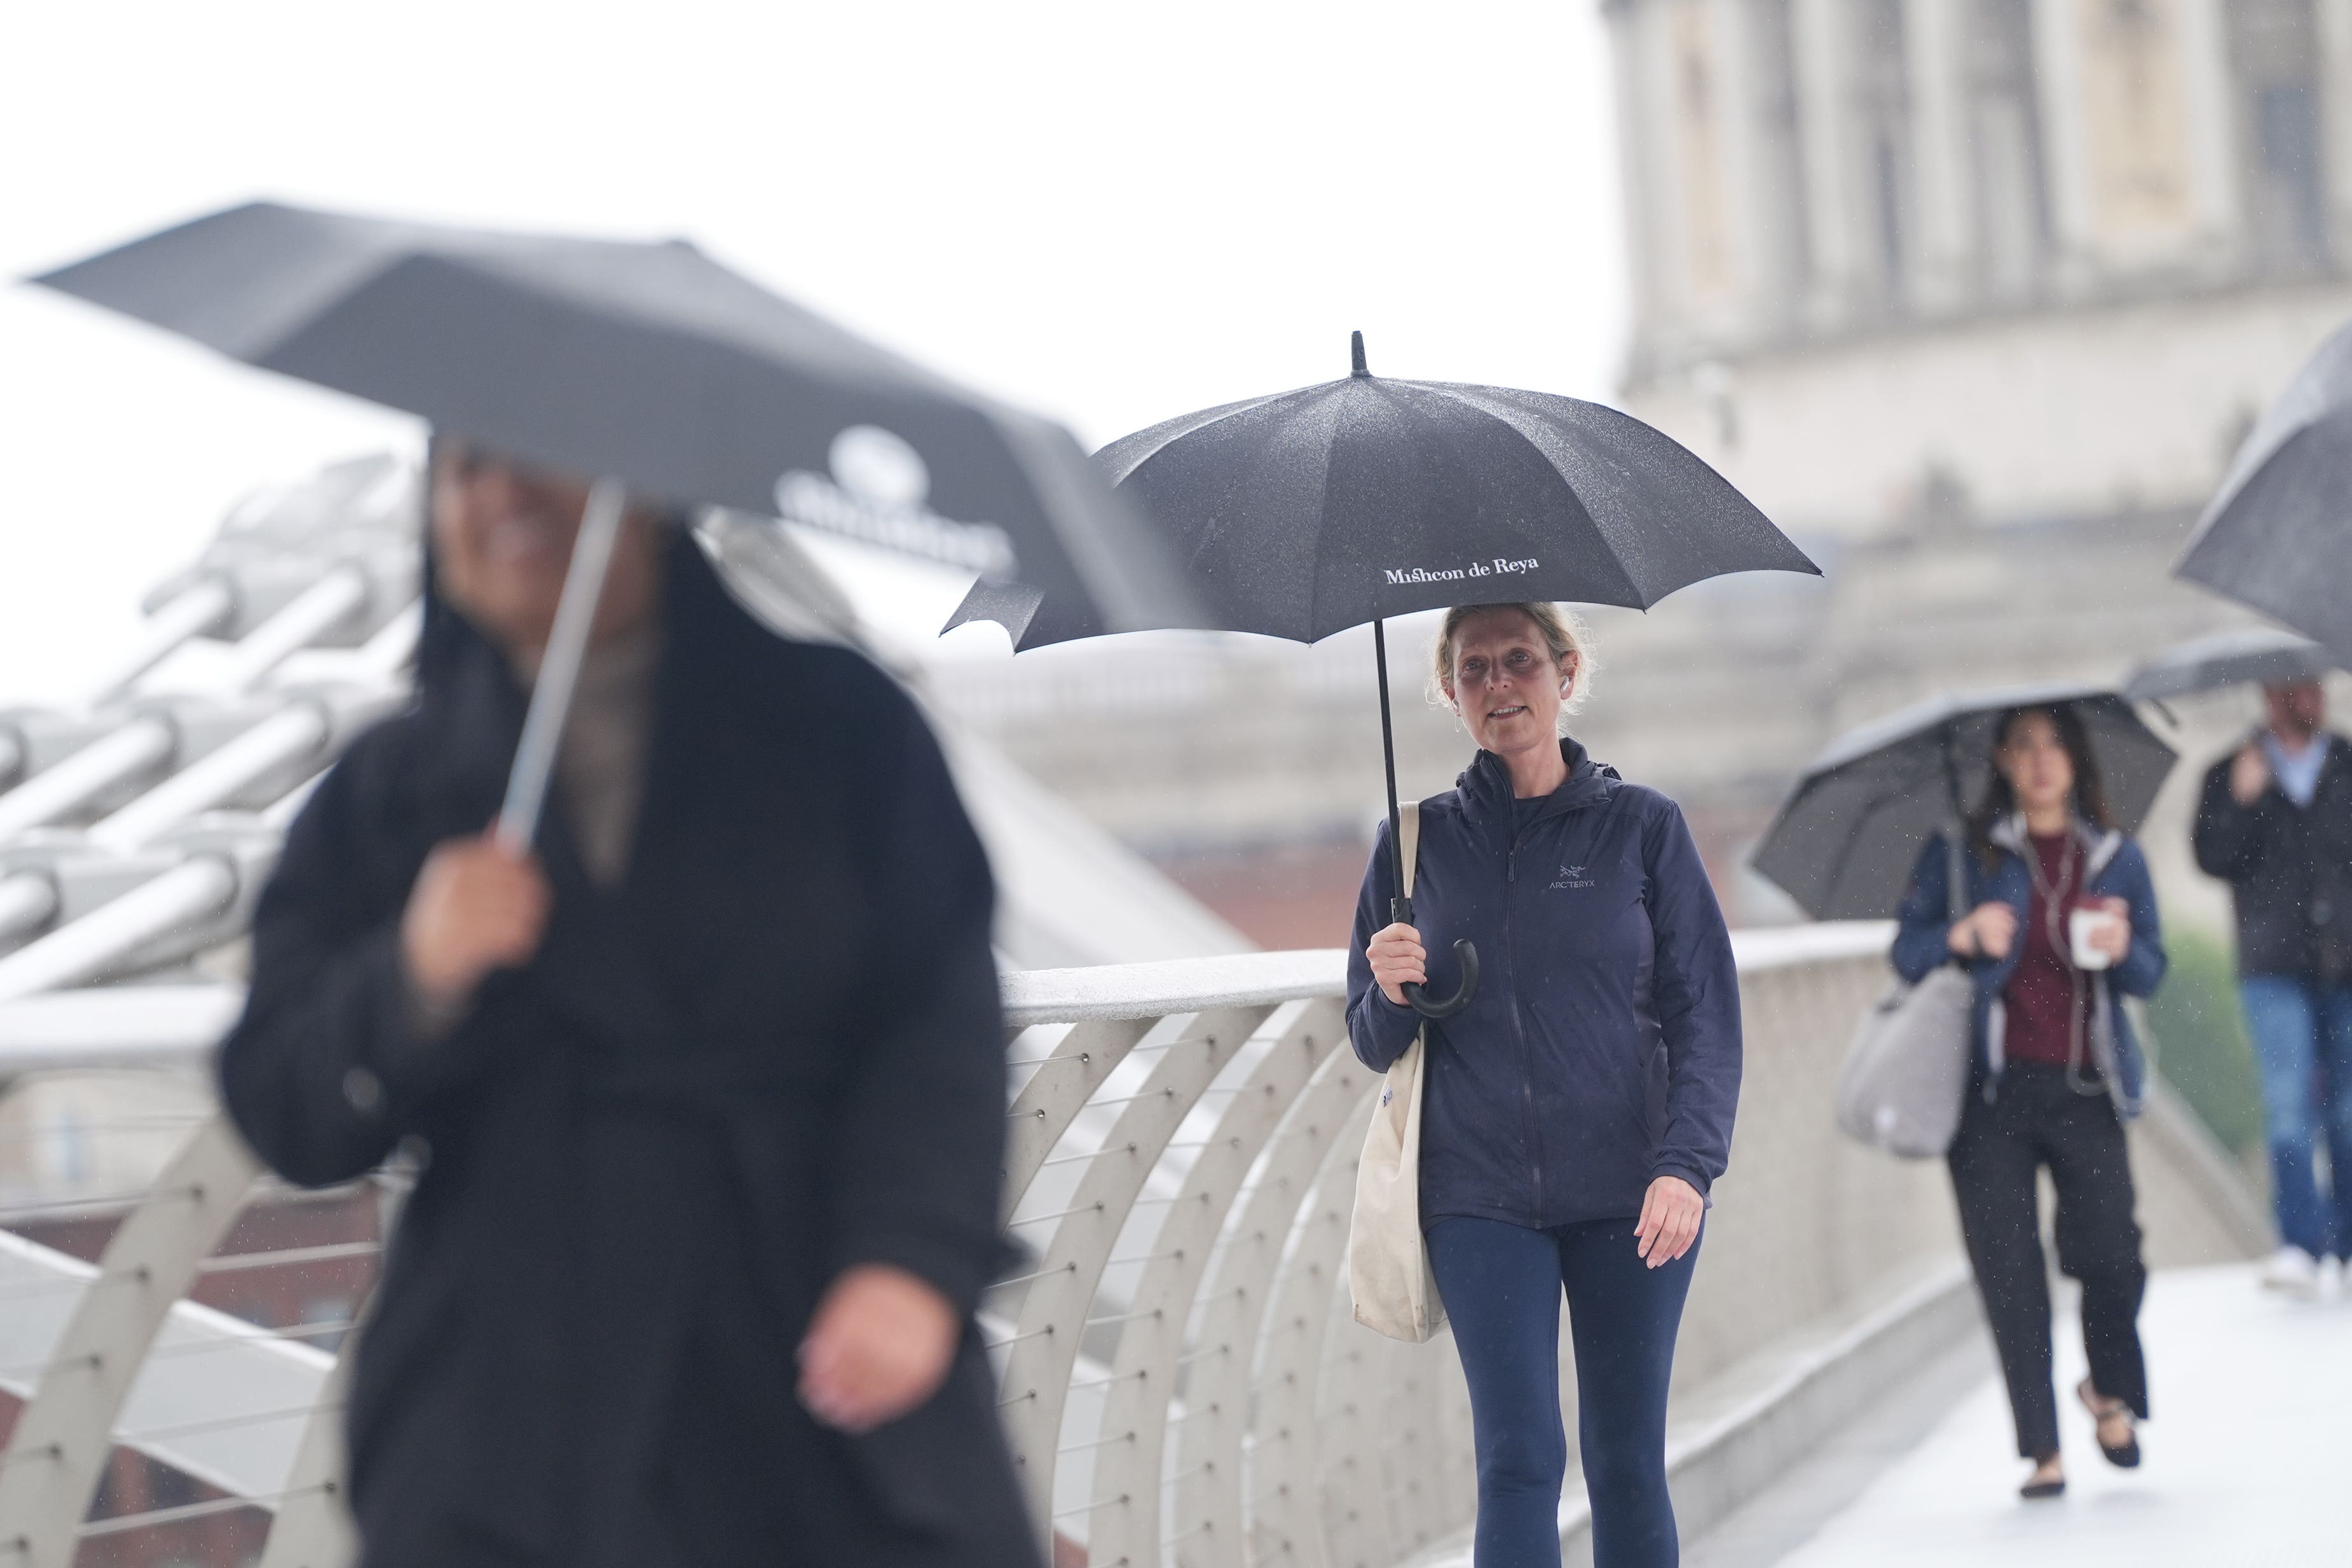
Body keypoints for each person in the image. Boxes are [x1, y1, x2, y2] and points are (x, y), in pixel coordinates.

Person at [217, 441, 1039, 1567]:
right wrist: (411, 973)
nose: (501, 493)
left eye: (541, 458)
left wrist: (910, 1259)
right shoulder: (385, 795)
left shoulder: (843, 729)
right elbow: (283, 1102)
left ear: (644, 498)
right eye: (463, 471)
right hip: (509, 1406)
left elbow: (935, 1016)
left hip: (806, 1345)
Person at [1346, 604, 1740, 1568]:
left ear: (1565, 671)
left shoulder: (1644, 827)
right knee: (1519, 1456)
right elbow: (1367, 1035)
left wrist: (1686, 1166)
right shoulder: (1413, 845)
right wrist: (1394, 982)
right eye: (1473, 669)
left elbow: (1707, 1018)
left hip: (1633, 1188)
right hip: (1478, 1196)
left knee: (1625, 1458)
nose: (1498, 685)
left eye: (1518, 661)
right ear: (1449, 691)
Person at [1892, 704, 2166, 1501]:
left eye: (2055, 744)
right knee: (2009, 1274)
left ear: (2076, 760)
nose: (2041, 760)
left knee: (2112, 1255)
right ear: (2004, 762)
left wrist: (2124, 949)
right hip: (1988, 1097)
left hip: (2086, 1087)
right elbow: (1905, 952)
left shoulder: (2116, 859)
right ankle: (2041, 1449)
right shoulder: (1959, 855)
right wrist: (1960, 933)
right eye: (2024, 746)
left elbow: (2150, 972)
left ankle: (2106, 1390)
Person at [2192, 676, 2352, 1295]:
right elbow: (2211, 856)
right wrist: (2241, 798)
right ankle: (2298, 1242)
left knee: (2346, 1113)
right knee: (2287, 1108)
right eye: (2294, 690)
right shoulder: (2230, 772)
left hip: (2345, 959)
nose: (2308, 700)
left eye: (2314, 687)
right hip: (2273, 963)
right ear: (2270, 696)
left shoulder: (2344, 764)